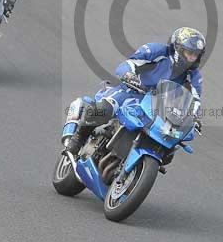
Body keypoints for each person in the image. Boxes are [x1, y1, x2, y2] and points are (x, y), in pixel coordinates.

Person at [64, 27, 206, 156]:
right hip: (133, 92)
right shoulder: (157, 51)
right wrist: (129, 76)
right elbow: (128, 64)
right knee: (104, 109)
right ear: (178, 48)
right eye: (189, 53)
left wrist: (194, 118)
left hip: (159, 108)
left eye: (196, 55)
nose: (192, 58)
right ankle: (78, 138)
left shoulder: (193, 76)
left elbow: (195, 101)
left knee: (170, 144)